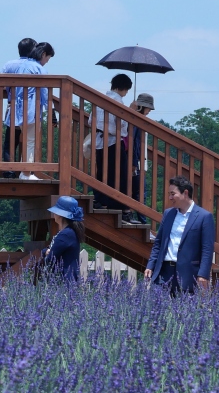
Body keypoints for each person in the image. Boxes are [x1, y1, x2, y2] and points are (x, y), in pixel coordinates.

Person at [145, 176, 215, 294]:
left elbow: (207, 249)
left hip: (188, 274)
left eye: (173, 194)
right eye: (169, 194)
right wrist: (150, 265)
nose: (170, 198)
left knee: (185, 311)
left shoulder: (204, 217)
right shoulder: (168, 214)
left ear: (185, 193)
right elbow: (158, 242)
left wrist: (203, 274)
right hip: (164, 271)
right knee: (159, 310)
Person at [0, 39, 52, 178]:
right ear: (44, 54)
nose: (47, 61)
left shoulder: (19, 66)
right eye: (48, 58)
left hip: (15, 108)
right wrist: (51, 112)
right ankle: (26, 172)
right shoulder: (39, 69)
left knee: (10, 141)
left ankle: (10, 170)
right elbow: (45, 93)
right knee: (30, 140)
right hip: (31, 110)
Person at [92, 74, 133, 212]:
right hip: (113, 141)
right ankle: (117, 203)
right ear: (124, 88)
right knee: (119, 174)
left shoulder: (100, 99)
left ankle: (100, 199)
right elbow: (121, 125)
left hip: (99, 140)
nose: (126, 93)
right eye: (127, 90)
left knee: (102, 172)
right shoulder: (118, 101)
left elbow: (90, 121)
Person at [43, 196, 85, 282]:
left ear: (60, 214)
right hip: (69, 280)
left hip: (63, 281)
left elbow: (50, 259)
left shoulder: (65, 234)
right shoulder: (70, 232)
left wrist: (44, 251)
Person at [128, 92, 155, 223]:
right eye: (148, 108)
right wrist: (134, 161)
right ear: (142, 107)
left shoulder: (138, 120)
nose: (149, 111)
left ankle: (139, 219)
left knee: (138, 192)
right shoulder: (137, 121)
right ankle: (142, 221)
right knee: (140, 193)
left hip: (138, 161)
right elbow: (133, 143)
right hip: (136, 162)